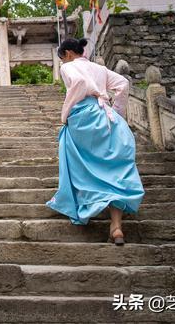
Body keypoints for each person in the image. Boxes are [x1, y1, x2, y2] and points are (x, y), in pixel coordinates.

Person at [46, 38, 144, 246]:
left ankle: (86, 206)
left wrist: (66, 112)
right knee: (115, 170)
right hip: (108, 117)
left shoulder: (69, 67)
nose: (63, 63)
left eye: (63, 59)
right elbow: (123, 84)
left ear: (69, 54)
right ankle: (116, 227)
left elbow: (79, 84)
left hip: (84, 117)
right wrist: (117, 112)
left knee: (83, 165)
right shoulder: (99, 68)